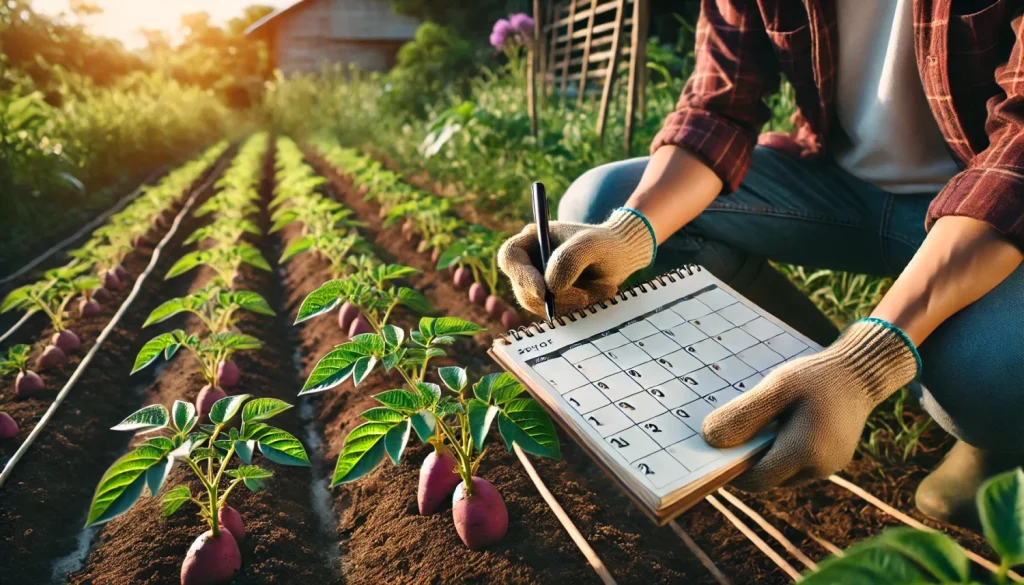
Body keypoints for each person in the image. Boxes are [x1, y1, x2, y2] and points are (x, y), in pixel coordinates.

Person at [497, 0, 1024, 531]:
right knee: (600, 203)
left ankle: (987, 443)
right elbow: (718, 109)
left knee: (982, 373)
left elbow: (1017, 155)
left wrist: (867, 362)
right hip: (838, 184)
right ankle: (808, 367)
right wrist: (626, 236)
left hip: (994, 204)